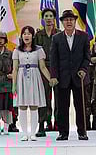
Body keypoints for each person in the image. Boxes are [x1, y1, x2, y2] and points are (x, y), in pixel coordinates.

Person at [50, 9, 90, 141]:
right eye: (66, 20)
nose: (69, 22)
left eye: (71, 20)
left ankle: (82, 132)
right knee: (62, 107)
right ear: (62, 22)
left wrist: (84, 69)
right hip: (62, 78)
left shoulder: (83, 36)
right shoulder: (56, 38)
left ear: (75, 21)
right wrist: (54, 76)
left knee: (81, 106)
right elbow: (53, 59)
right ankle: (63, 132)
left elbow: (87, 56)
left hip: (79, 77)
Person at [12, 26, 52, 141]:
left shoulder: (39, 50)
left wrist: (50, 79)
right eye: (24, 34)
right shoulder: (17, 50)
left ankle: (33, 133)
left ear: (33, 36)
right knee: (22, 106)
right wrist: (14, 85)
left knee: (34, 105)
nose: (26, 36)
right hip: (21, 77)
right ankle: (25, 133)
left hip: (35, 77)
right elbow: (14, 69)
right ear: (21, 36)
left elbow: (43, 67)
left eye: (29, 33)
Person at [34, 8, 58, 136]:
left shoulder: (59, 34)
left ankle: (58, 123)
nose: (48, 18)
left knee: (59, 99)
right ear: (43, 19)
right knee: (43, 99)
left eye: (51, 16)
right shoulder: (38, 36)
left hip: (57, 69)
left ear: (54, 19)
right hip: (42, 69)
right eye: (46, 16)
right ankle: (43, 124)